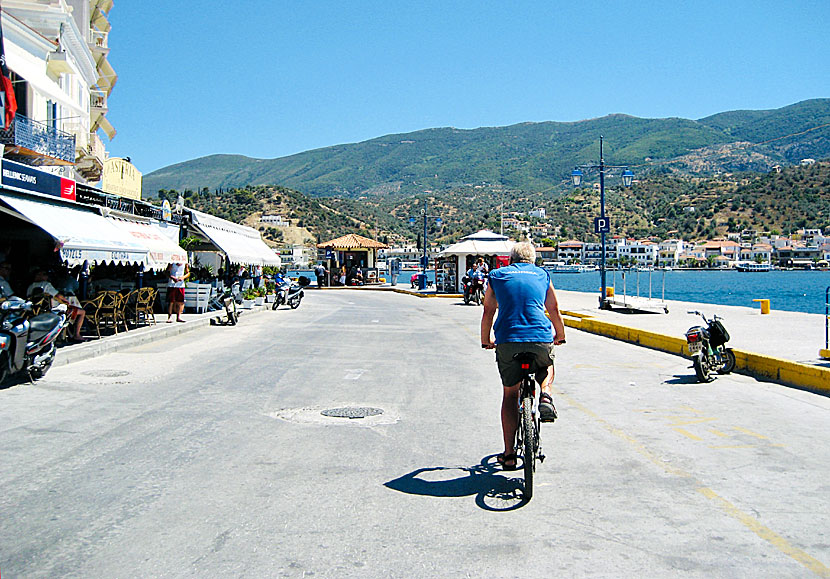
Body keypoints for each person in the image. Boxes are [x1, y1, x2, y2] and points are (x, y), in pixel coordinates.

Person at [480, 241, 566, 471]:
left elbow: (488, 310)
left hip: (507, 340)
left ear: (511, 259)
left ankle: (509, 456)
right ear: (533, 260)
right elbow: (554, 309)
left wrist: (485, 340)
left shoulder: (497, 275)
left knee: (510, 394)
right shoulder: (543, 275)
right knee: (546, 365)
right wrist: (560, 334)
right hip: (539, 337)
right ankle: (545, 394)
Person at [26, 269, 88, 342]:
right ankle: (76, 334)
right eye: (44, 274)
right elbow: (58, 295)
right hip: (53, 310)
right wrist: (65, 301)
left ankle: (68, 331)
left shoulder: (30, 287)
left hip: (37, 311)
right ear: (39, 276)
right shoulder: (46, 285)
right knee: (81, 312)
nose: (47, 276)